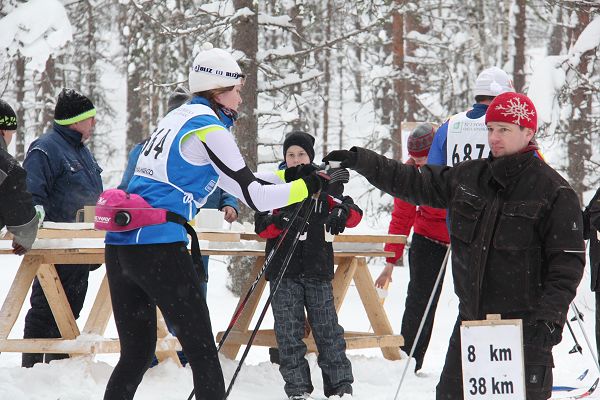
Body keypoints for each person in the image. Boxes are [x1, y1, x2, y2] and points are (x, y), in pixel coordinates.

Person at [324, 92, 585, 400]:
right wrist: (361, 160)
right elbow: (411, 181)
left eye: (504, 129)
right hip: (471, 327)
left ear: (528, 132)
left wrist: (549, 320)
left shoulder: (554, 191)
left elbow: (566, 265)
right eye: (490, 129)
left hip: (526, 332)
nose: (494, 137)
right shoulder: (469, 177)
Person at [102, 45, 327, 400]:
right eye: (236, 89)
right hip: (158, 246)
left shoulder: (177, 119)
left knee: (136, 354)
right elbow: (255, 197)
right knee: (205, 353)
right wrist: (305, 187)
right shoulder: (210, 129)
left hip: (121, 247)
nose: (240, 98)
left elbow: (239, 178)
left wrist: (295, 176)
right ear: (218, 91)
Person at [254, 131, 361, 400]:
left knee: (327, 331)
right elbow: (261, 225)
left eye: (301, 154)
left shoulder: (323, 182)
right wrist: (278, 223)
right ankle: (298, 389)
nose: (296, 159)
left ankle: (340, 388)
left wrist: (341, 212)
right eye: (290, 155)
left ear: (310, 156)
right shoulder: (274, 186)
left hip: (316, 268)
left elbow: (353, 212)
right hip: (283, 271)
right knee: (288, 333)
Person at [118, 85, 239, 299]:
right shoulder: (148, 147)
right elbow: (127, 189)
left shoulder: (209, 139)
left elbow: (227, 177)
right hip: (161, 230)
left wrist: (229, 202)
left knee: (196, 282)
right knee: (164, 287)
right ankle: (172, 328)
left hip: (202, 226)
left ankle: (189, 323)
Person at [22, 89, 103, 368]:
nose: (93, 124)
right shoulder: (45, 148)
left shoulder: (81, 151)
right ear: (76, 120)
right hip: (55, 248)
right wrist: (36, 214)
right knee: (46, 311)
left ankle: (58, 369)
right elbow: (31, 194)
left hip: (79, 249)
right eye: (90, 118)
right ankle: (32, 372)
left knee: (69, 311)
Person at [374, 123, 449, 373]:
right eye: (414, 160)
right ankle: (410, 362)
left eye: (423, 160)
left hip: (463, 236)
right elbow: (402, 217)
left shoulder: (454, 163)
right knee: (419, 301)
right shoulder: (410, 172)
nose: (419, 165)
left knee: (473, 301)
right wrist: (389, 264)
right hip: (429, 237)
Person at [427, 66, 515, 167]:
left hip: (455, 182)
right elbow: (533, 169)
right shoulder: (509, 127)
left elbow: (432, 172)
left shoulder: (449, 125)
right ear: (505, 96)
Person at [0, 99, 38, 256]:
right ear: (3, 131)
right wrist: (25, 236)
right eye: (11, 134)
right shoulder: (5, 165)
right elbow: (18, 205)